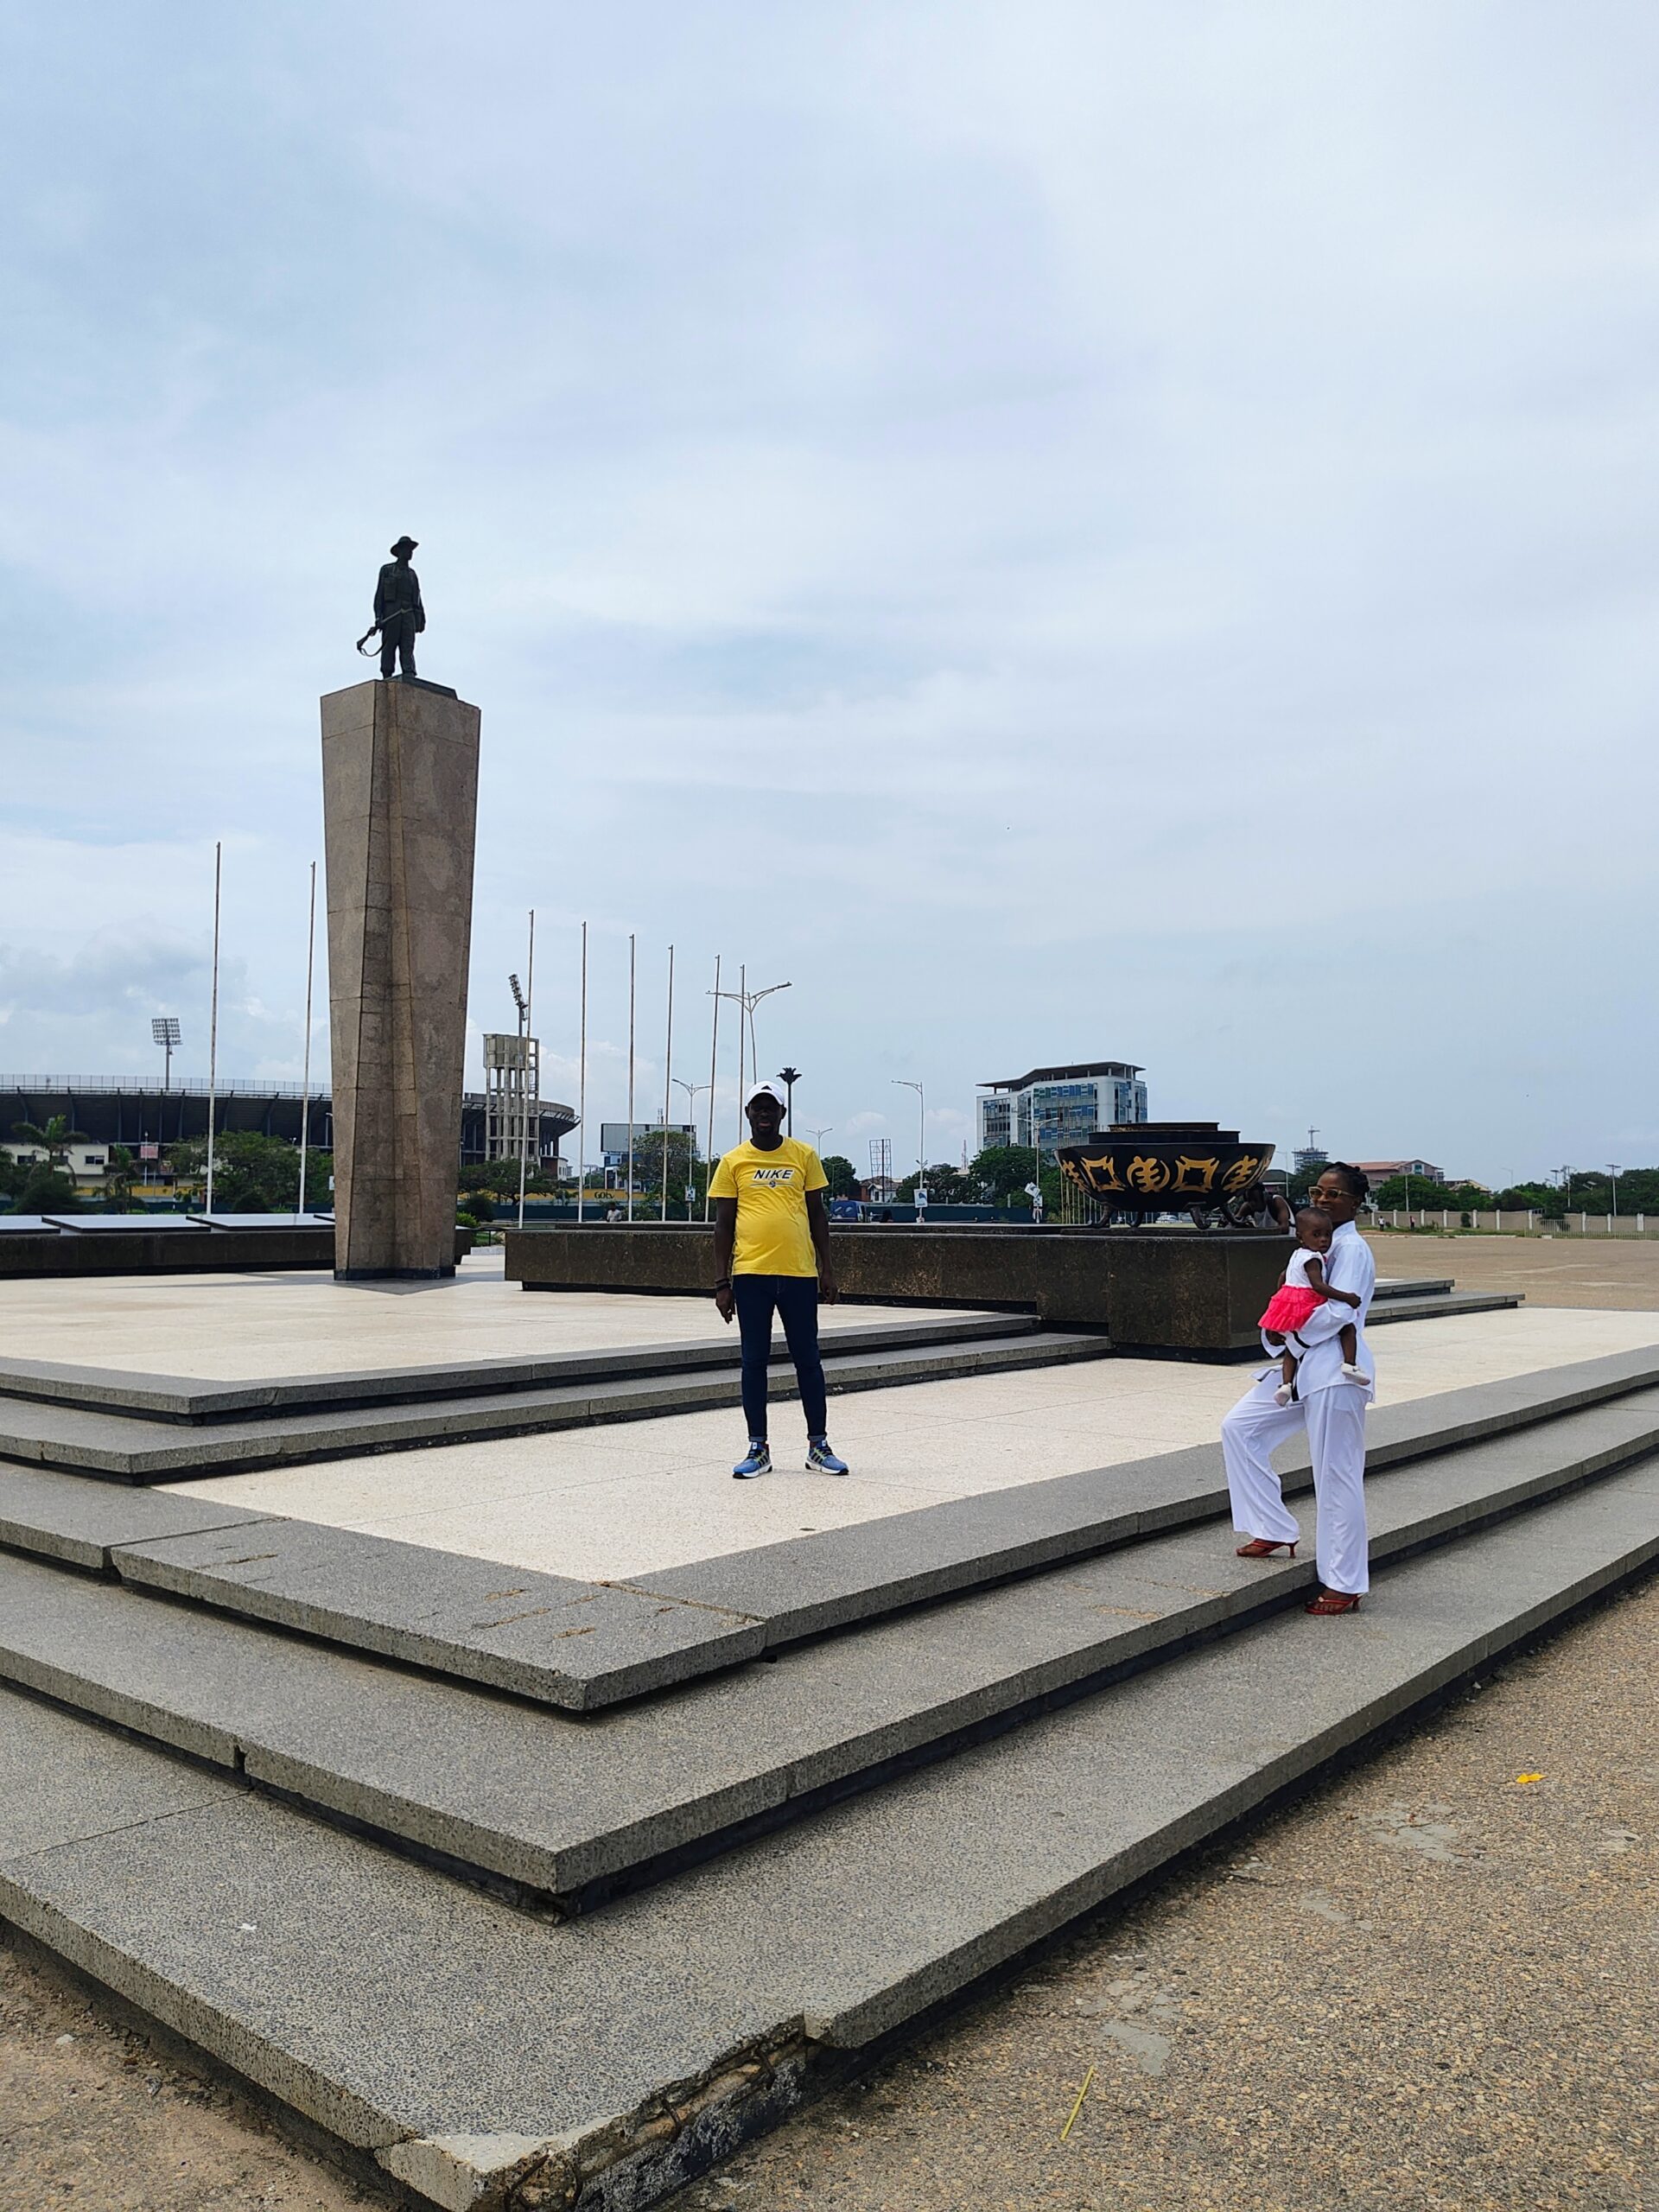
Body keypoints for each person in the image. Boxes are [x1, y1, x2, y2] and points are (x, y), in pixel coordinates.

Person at [1221, 1163, 1376, 1613]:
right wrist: (1280, 1334)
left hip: (1335, 1374)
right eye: (1318, 1192)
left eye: (1334, 1194)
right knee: (1239, 1428)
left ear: (1354, 1202)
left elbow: (1338, 1314)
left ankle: (1345, 1583)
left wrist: (1291, 1336)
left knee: (1336, 1474)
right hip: (1300, 1369)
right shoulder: (1309, 1246)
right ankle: (1273, 1526)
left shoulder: (1351, 1250)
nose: (1324, 1200)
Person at [709, 1081, 849, 1479]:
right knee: (754, 1361)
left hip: (799, 1274)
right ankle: (758, 1447)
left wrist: (828, 1268)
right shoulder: (733, 1162)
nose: (764, 1114)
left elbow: (818, 1216)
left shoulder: (803, 1155)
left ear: (782, 1114)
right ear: (748, 1114)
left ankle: (818, 1446)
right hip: (751, 1275)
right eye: (758, 1107)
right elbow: (723, 1226)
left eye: (771, 1107)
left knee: (808, 1360)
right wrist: (722, 1283)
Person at [1260, 1205, 1364, 1403]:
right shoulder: (1313, 1258)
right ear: (1301, 1237)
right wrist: (1347, 1297)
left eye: (1328, 1234)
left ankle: (1286, 1385)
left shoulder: (1296, 1254)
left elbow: (1283, 1276)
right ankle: (1350, 1364)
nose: (1323, 1239)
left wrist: (1279, 1298)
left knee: (1291, 1347)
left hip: (1288, 1302)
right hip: (1307, 1301)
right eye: (1316, 1235)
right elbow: (1318, 1286)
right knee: (1347, 1327)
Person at [374, 536, 425, 679]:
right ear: (400, 551)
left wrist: (420, 618)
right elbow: (379, 596)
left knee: (407, 646)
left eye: (411, 550)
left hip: (408, 614)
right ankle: (386, 674)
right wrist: (378, 617)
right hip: (392, 613)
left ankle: (409, 673)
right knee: (389, 646)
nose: (410, 552)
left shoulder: (412, 575)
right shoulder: (387, 570)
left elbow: (418, 598)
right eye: (407, 549)